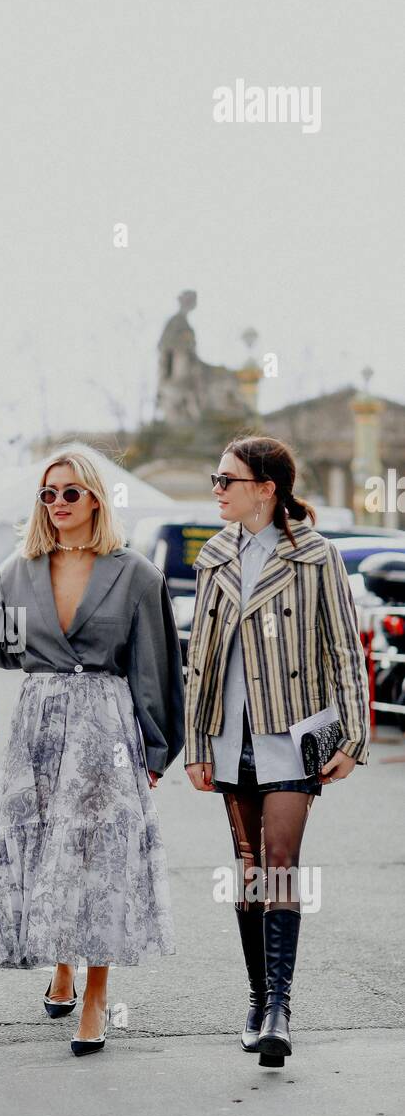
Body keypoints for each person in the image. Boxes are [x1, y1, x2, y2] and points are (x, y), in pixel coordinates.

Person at [0, 450, 184, 1057]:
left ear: (97, 500)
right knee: (45, 845)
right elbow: (4, 652)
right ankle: (60, 962)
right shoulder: (21, 568)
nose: (57, 504)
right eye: (47, 494)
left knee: (99, 857)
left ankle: (97, 994)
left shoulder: (136, 575)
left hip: (104, 728)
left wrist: (155, 752)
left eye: (70, 494)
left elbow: (156, 669)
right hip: (39, 727)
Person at [184, 434, 370, 1066]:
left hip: (291, 733)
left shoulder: (317, 557)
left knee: (281, 860)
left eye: (226, 480)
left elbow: (345, 648)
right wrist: (195, 742)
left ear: (266, 489)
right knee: (248, 864)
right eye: (216, 477)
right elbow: (199, 663)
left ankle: (280, 1010)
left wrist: (354, 736)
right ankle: (258, 996)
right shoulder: (213, 557)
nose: (216, 489)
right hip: (229, 736)